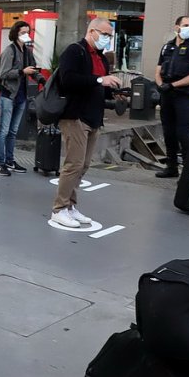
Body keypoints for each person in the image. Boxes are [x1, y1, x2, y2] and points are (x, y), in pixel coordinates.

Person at [50, 18, 121, 229]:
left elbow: (100, 87)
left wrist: (114, 91)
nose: (107, 39)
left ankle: (70, 206)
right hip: (75, 116)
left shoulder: (101, 58)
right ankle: (59, 209)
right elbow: (68, 80)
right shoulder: (75, 51)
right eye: (105, 34)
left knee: (84, 165)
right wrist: (99, 80)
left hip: (93, 117)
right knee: (74, 164)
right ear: (91, 31)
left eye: (110, 35)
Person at [154, 15, 189, 178]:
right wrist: (160, 84)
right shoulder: (167, 47)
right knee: (168, 133)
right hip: (166, 96)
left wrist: (173, 85)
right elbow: (158, 69)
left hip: (183, 96)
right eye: (185, 25)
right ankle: (171, 167)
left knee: (184, 134)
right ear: (177, 27)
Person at [0, 20, 37, 176]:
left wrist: (37, 76)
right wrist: (22, 72)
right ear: (16, 34)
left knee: (13, 132)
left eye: (28, 32)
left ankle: (10, 160)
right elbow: (3, 73)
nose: (26, 35)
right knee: (3, 131)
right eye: (22, 33)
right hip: (8, 95)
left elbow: (32, 68)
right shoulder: (9, 51)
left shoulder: (27, 51)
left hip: (21, 96)